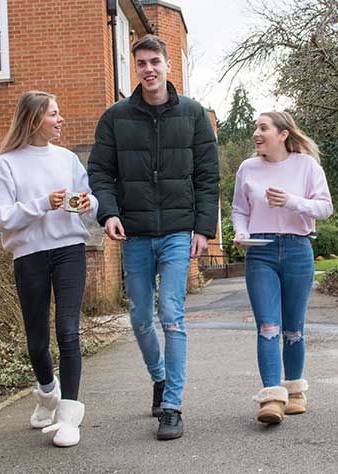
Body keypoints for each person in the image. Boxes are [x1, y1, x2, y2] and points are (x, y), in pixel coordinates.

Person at [87, 34, 219, 440]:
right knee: (141, 318)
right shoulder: (115, 117)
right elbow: (99, 173)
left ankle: (172, 406)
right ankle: (159, 377)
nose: (149, 69)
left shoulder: (194, 115)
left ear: (167, 65)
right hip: (137, 234)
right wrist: (108, 213)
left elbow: (207, 177)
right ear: (136, 68)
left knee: (171, 316)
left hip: (179, 231)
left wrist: (203, 228)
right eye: (141, 63)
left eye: (155, 61)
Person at [0, 91, 98, 447]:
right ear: (35, 120)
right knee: (36, 341)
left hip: (69, 249)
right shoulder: (8, 163)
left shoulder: (67, 159)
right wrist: (41, 204)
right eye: (54, 114)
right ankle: (48, 393)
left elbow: (92, 202)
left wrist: (86, 204)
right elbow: (0, 215)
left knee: (68, 331)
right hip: (30, 255)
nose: (61, 119)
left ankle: (68, 418)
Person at [232, 111, 333, 424]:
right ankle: (272, 397)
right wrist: (241, 233)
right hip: (259, 252)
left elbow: (325, 207)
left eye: (263, 128)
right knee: (267, 326)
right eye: (255, 128)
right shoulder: (247, 168)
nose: (256, 134)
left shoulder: (306, 166)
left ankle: (296, 390)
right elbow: (239, 210)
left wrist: (291, 200)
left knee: (293, 328)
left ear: (283, 134)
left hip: (297, 249)